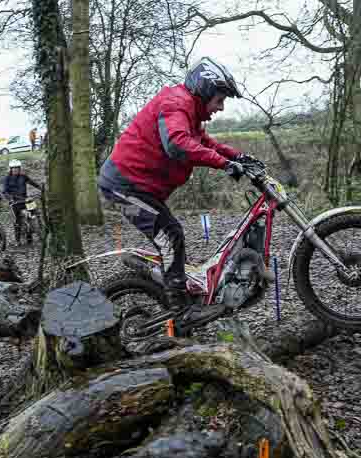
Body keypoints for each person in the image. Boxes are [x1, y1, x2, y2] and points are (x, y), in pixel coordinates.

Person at [97, 56, 254, 317]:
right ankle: (180, 309)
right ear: (205, 90)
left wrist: (236, 157)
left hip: (137, 185)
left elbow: (205, 143)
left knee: (172, 234)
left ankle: (177, 297)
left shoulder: (188, 111)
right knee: (171, 235)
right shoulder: (176, 104)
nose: (221, 108)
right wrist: (224, 164)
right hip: (123, 185)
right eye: (219, 100)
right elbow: (178, 143)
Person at [2, 159, 41, 245]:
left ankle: (39, 233)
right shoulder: (7, 179)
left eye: (17, 168)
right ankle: (18, 240)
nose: (15, 170)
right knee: (17, 221)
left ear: (20, 168)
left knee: (35, 214)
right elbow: (4, 192)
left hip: (25, 200)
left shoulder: (23, 176)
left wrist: (41, 188)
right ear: (10, 169)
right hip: (15, 202)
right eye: (13, 168)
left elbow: (33, 183)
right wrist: (10, 198)